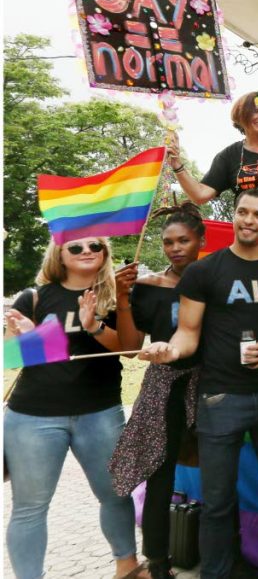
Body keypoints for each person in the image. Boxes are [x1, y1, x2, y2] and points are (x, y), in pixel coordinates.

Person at [138, 190, 258, 579]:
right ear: (233, 216)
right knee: (216, 501)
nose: (248, 220)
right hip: (220, 398)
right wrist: (168, 350)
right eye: (242, 212)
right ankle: (216, 573)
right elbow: (188, 334)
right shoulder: (203, 272)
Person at [4, 237, 142, 579]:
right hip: (33, 416)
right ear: (60, 255)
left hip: (99, 412)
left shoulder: (115, 296)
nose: (87, 252)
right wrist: (30, 336)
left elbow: (128, 350)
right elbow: (11, 358)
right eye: (76, 248)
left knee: (115, 495)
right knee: (30, 508)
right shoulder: (34, 297)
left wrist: (94, 324)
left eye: (95, 246)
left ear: (106, 253)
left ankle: (127, 567)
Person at [108, 204, 206, 579]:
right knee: (159, 474)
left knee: (217, 470)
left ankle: (222, 553)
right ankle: (159, 562)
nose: (175, 248)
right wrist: (121, 299)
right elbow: (132, 348)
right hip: (163, 388)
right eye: (168, 242)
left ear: (201, 240)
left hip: (210, 384)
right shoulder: (148, 288)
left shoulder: (216, 280)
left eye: (184, 240)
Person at [167, 91, 258, 229]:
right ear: (241, 115)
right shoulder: (229, 156)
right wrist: (177, 164)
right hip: (249, 236)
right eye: (256, 111)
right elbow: (200, 195)